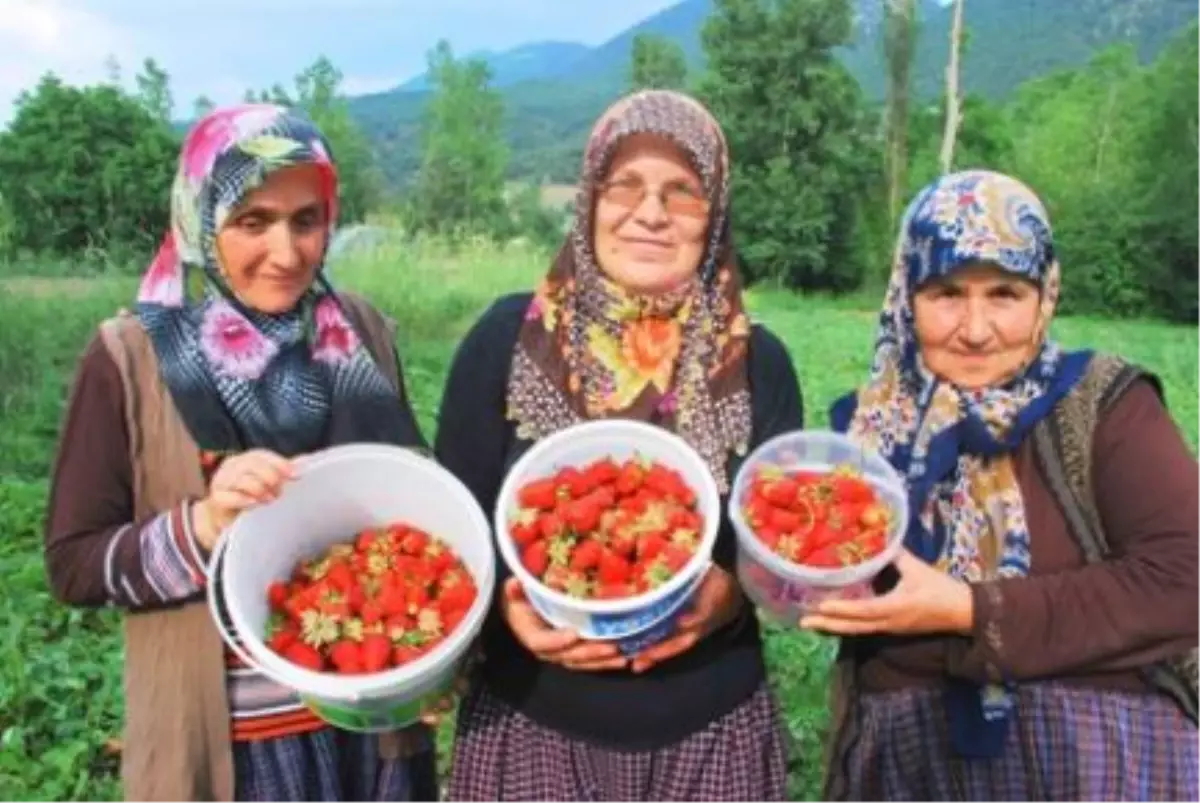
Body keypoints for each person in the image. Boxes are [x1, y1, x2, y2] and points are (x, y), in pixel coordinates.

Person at [43, 104, 438, 803]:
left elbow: (410, 509)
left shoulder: (359, 333)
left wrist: (430, 656)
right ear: (199, 216)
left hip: (371, 729)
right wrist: (202, 525)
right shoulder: (132, 359)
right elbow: (74, 565)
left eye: (306, 220)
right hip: (232, 750)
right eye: (252, 221)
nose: (286, 253)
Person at [434, 89, 804, 801]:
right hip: (531, 720)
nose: (651, 212)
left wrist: (730, 596)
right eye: (624, 185)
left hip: (711, 726)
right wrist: (505, 611)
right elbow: (458, 533)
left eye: (682, 192)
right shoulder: (508, 340)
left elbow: (780, 559)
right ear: (589, 200)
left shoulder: (758, 362)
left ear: (715, 212)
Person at [807, 169, 1200, 801]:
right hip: (913, 764)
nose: (976, 328)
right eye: (946, 293)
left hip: (1102, 761)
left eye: (1004, 294)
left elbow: (1185, 581)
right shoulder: (866, 431)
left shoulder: (1104, 406)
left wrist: (970, 609)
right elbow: (835, 596)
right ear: (906, 296)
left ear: (1044, 296)